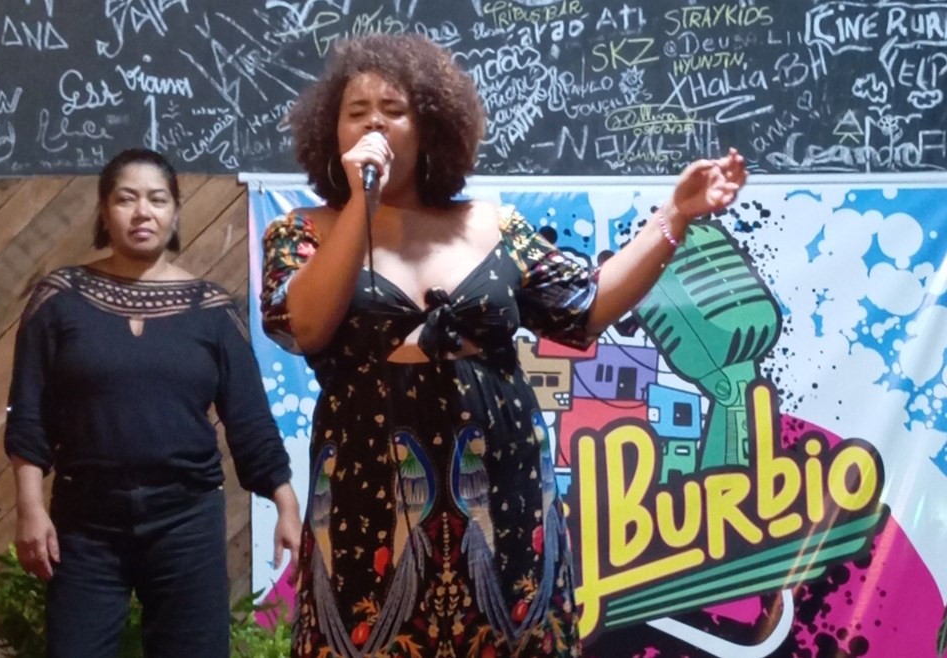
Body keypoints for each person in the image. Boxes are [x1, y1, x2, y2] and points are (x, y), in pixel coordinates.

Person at [260, 34, 747, 658]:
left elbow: (586, 307)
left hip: (503, 499)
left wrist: (673, 217)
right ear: (333, 133)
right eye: (357, 111)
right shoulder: (302, 233)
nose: (374, 122)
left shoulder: (493, 225)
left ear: (430, 127)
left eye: (394, 109)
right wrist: (362, 203)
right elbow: (302, 325)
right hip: (369, 507)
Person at [5, 148, 301, 658]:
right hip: (85, 524)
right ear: (104, 211)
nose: (142, 212)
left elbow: (250, 419)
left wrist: (286, 503)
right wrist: (30, 509)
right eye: (126, 199)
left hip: (187, 521)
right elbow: (29, 413)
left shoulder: (211, 310)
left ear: (175, 213)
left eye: (157, 199)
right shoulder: (59, 298)